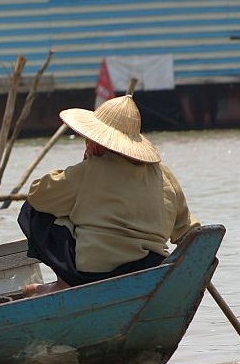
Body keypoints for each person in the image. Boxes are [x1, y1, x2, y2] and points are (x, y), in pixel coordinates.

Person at [18, 94, 199, 297]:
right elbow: (187, 231)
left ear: (96, 142)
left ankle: (65, 283)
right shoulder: (163, 173)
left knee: (33, 212)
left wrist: (81, 167)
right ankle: (62, 284)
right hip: (151, 267)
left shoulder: (90, 170)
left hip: (98, 272)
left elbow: (38, 195)